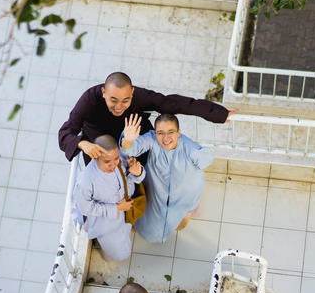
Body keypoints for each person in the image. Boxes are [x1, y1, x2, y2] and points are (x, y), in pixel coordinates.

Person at [59, 71, 235, 162]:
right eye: (113, 100)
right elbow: (66, 132)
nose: (119, 107)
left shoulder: (140, 96)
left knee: (146, 174)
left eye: (125, 101)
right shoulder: (89, 99)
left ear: (133, 92)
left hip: (137, 142)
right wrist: (82, 143)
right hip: (100, 145)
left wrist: (219, 114)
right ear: (104, 92)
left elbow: (172, 103)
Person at [121, 113, 214, 242]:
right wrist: (129, 140)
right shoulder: (152, 139)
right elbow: (130, 150)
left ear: (179, 132)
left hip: (184, 194)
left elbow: (206, 158)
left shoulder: (188, 147)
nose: (166, 138)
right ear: (155, 133)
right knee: (150, 220)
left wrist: (201, 155)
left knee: (180, 222)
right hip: (157, 191)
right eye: (160, 133)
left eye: (171, 132)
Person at [73, 134, 144, 262]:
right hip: (106, 224)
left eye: (116, 159)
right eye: (107, 162)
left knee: (124, 235)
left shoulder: (119, 159)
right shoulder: (86, 181)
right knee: (118, 254)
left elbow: (131, 180)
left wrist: (137, 172)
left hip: (125, 214)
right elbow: (85, 207)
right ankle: (107, 253)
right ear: (95, 158)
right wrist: (116, 208)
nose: (113, 165)